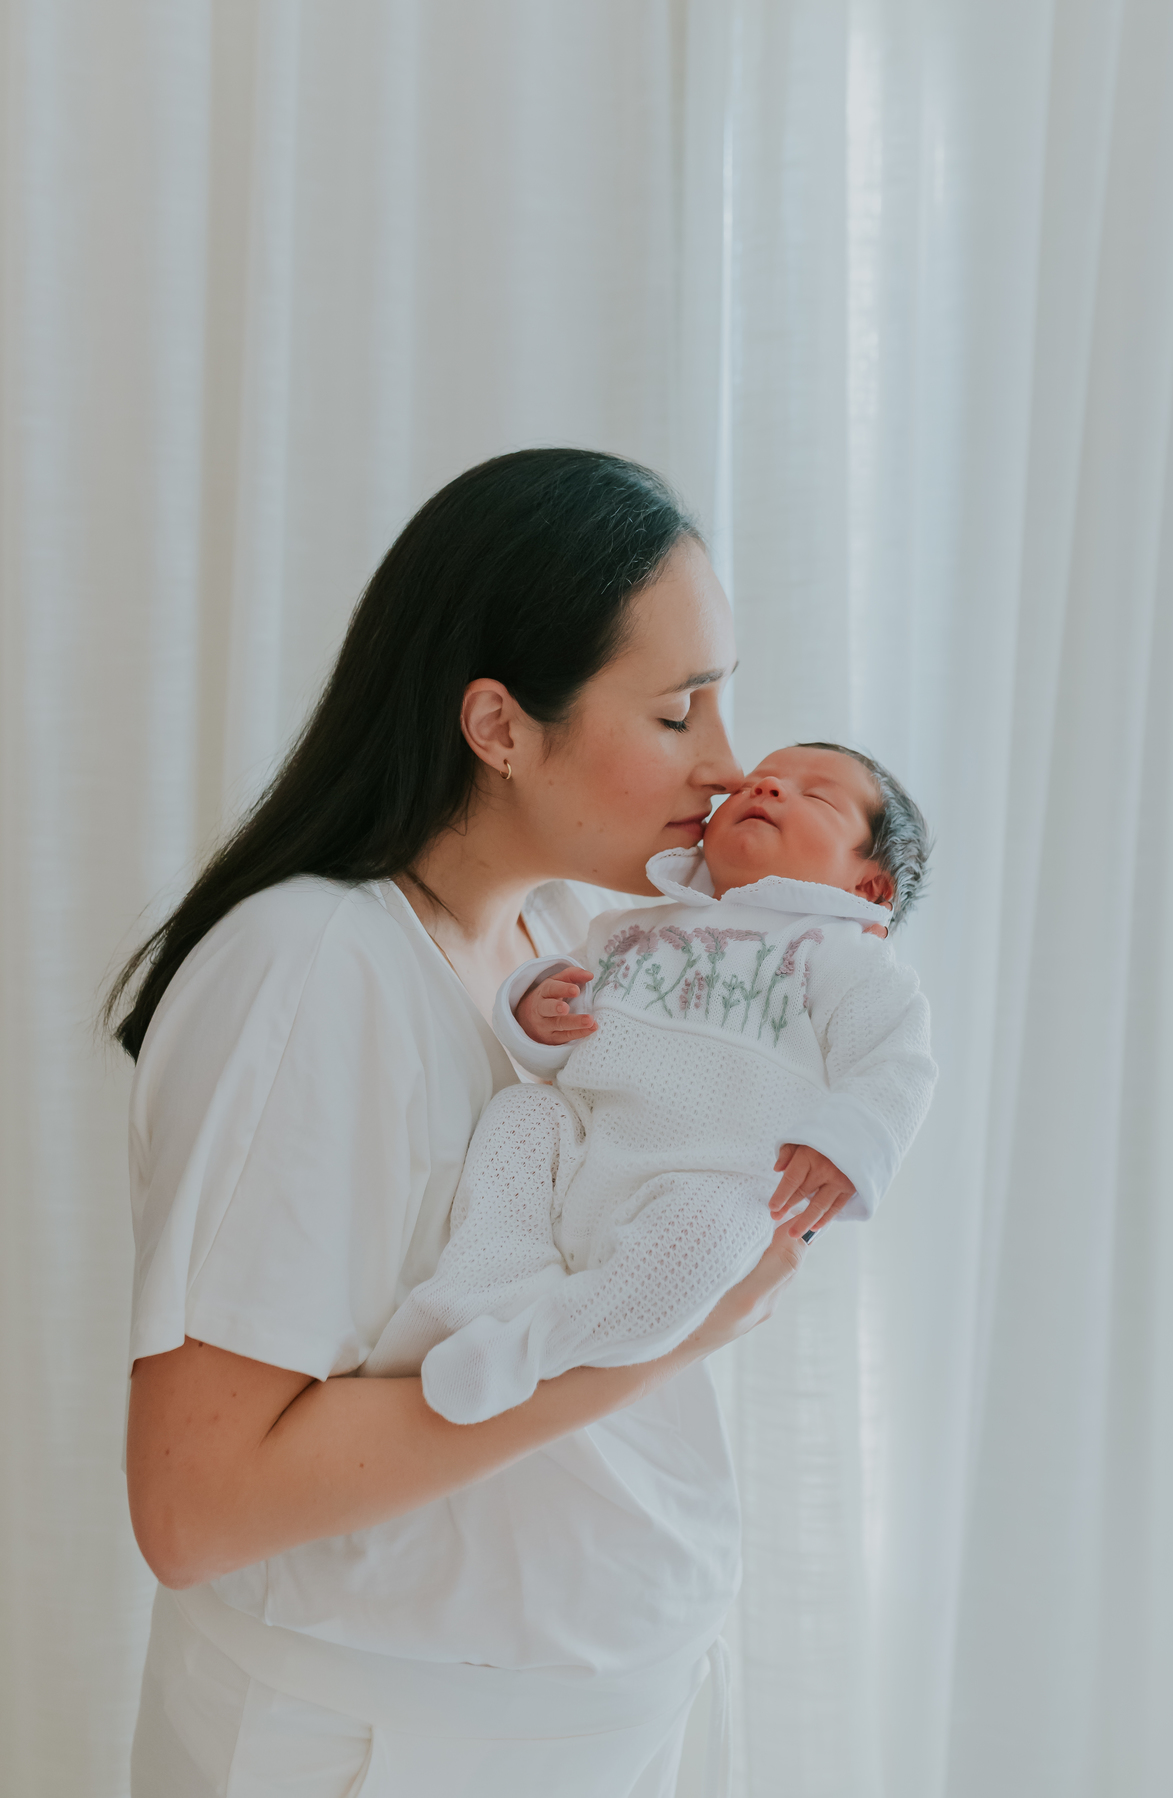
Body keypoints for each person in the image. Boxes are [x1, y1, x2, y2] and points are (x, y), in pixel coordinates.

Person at [108, 448, 814, 1798]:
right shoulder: (313, 966)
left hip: (585, 1726)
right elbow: (197, 1505)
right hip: (382, 1749)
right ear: (498, 726)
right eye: (679, 712)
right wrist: (668, 1331)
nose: (730, 766)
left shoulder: (566, 939)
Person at [374, 742, 936, 1426]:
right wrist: (534, 1009)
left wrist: (847, 1144)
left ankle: (528, 1348)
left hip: (710, 1180)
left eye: (814, 795)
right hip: (584, 1147)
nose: (767, 789)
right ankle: (484, 1287)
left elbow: (897, 1062)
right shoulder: (631, 928)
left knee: (709, 1235)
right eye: (757, 781)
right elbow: (564, 1013)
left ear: (870, 887)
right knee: (522, 1112)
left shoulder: (848, 958)